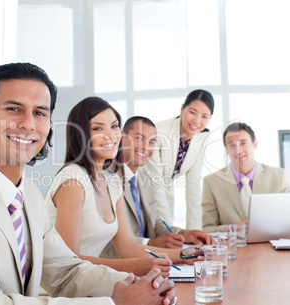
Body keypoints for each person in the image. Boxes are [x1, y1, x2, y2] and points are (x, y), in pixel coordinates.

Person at [0, 63, 177, 305]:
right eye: (14, 109)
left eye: (40, 113)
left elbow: (65, 270)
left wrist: (138, 286)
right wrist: (115, 303)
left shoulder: (27, 192)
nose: (28, 124)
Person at [45, 97, 199, 279]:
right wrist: (131, 267)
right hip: (61, 289)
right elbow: (69, 261)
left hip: (92, 281)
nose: (111, 135)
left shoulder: (112, 181)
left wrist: (190, 254)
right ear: (81, 135)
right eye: (97, 128)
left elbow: (128, 247)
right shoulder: (73, 181)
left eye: (114, 126)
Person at [101, 116, 215, 259]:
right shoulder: (104, 179)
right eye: (139, 138)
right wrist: (151, 243)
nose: (145, 147)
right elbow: (104, 239)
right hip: (119, 267)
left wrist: (182, 234)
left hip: (149, 265)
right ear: (122, 138)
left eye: (151, 142)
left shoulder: (145, 180)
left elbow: (154, 222)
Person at [141, 89, 215, 230]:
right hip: (143, 189)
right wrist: (170, 230)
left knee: (171, 240)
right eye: (192, 112)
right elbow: (155, 181)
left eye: (204, 116)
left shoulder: (202, 137)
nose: (197, 121)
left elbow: (193, 185)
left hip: (164, 193)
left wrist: (195, 233)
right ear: (182, 109)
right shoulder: (158, 131)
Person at [202, 122, 290, 233]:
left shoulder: (278, 176)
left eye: (243, 143)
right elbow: (207, 229)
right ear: (226, 149)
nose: (238, 150)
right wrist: (232, 229)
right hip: (233, 247)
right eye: (231, 145)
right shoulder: (211, 182)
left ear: (255, 144)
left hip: (270, 245)